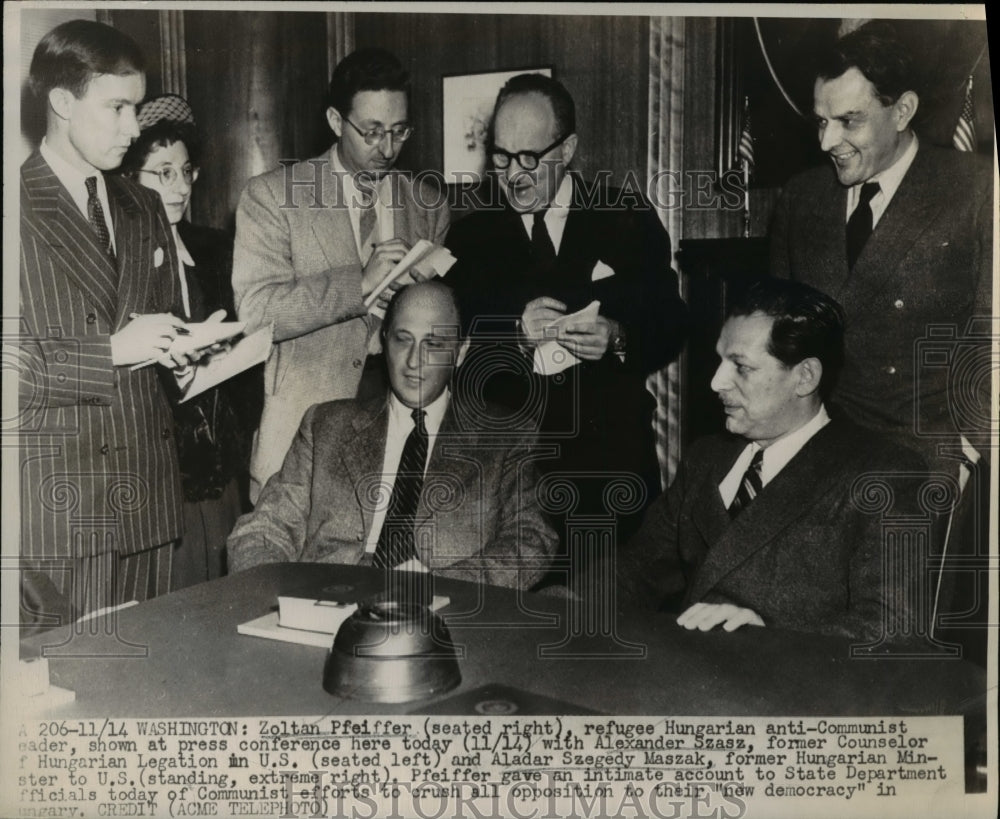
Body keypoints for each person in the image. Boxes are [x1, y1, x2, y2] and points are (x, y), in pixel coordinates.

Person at [445, 73, 689, 568]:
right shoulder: (470, 240)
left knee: (615, 621)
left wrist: (619, 338)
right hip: (510, 480)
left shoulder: (625, 215)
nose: (513, 173)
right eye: (501, 156)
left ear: (568, 147)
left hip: (610, 470)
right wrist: (513, 334)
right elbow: (448, 358)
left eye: (530, 158)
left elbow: (672, 321)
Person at [618, 278, 926, 642]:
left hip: (794, 689)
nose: (717, 382)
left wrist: (769, 639)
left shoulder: (883, 475)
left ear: (805, 377)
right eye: (720, 360)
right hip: (691, 677)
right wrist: (564, 606)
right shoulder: (707, 457)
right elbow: (636, 568)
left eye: (741, 367)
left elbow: (891, 628)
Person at [19, 20, 188, 627]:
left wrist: (189, 348)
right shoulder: (15, 208)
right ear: (62, 103)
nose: (134, 127)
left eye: (136, 108)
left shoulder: (142, 203)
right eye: (117, 107)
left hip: (150, 501)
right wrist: (113, 351)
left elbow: (156, 321)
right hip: (64, 516)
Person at [769, 21, 993, 478]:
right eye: (821, 121)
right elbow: (779, 339)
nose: (827, 142)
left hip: (929, 459)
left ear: (903, 110)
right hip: (817, 454)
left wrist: (970, 449)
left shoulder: (977, 190)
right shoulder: (801, 197)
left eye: (849, 120)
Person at [227, 282, 557, 590]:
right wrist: (278, 597)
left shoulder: (504, 436)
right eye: (403, 339)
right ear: (384, 342)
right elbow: (264, 529)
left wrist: (440, 584)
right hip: (328, 600)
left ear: (460, 352)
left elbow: (530, 539)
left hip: (441, 609)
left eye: (434, 343)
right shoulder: (326, 424)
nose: (414, 360)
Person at [233, 47, 450, 501]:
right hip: (300, 447)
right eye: (371, 132)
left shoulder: (427, 204)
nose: (387, 149)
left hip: (401, 443)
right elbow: (255, 312)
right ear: (335, 121)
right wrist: (361, 282)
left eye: (399, 131)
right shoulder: (272, 196)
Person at [119, 94, 262, 588]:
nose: (180, 187)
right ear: (129, 179)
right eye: (163, 173)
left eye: (186, 171)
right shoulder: (119, 259)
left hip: (217, 453)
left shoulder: (216, 248)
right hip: (161, 465)